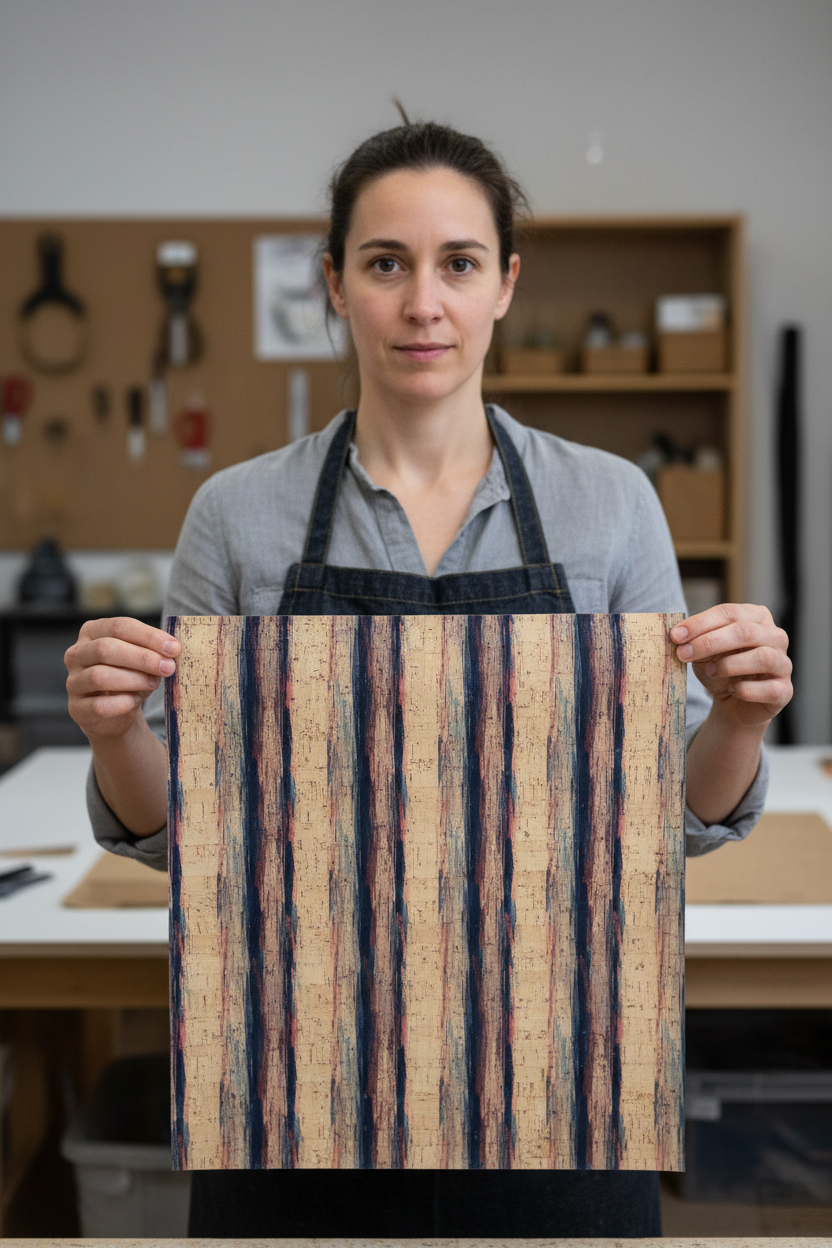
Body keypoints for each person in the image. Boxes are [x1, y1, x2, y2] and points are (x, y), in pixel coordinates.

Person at [65, 119, 792, 1237]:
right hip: (295, 1086)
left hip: (559, 1080)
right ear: (334, 285)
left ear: (505, 284)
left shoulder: (609, 504)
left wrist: (739, 718)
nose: (422, 304)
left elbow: (672, 826)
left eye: (457, 263)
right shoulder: (238, 516)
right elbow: (187, 841)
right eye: (385, 264)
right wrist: (117, 734)